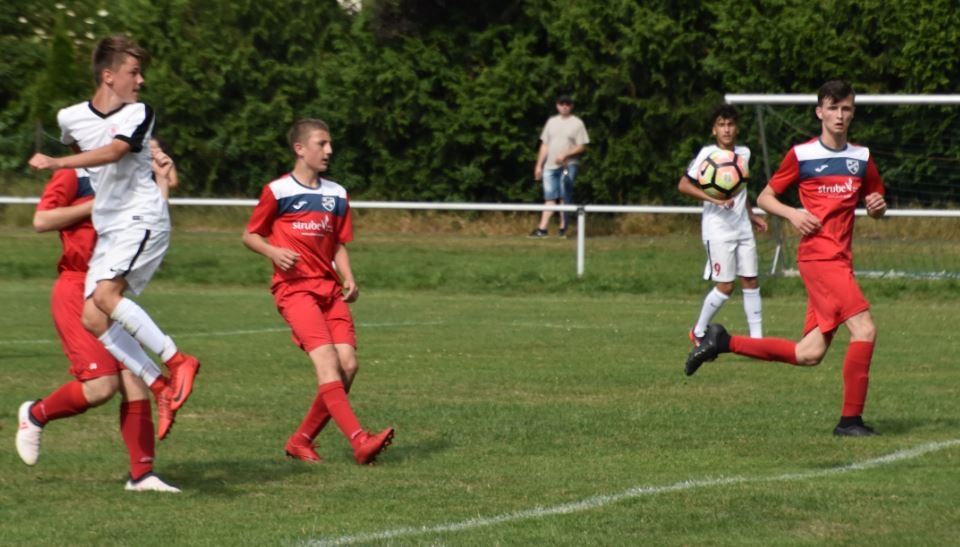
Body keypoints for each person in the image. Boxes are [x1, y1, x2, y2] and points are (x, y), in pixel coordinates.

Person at [684, 80, 888, 437]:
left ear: (853, 112)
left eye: (846, 109)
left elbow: (876, 202)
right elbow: (765, 197)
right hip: (819, 258)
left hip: (841, 260)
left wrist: (876, 206)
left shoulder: (861, 158)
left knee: (809, 353)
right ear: (820, 112)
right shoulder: (802, 155)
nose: (840, 115)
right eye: (833, 108)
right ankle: (850, 422)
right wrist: (793, 214)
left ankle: (723, 342)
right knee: (865, 329)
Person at [27, 35, 200, 445]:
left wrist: (57, 162)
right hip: (112, 227)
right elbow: (80, 141)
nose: (141, 80)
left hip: (141, 217)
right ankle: (159, 385)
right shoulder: (69, 117)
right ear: (108, 76)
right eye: (133, 72)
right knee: (93, 316)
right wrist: (75, 164)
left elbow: (112, 153)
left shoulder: (140, 112)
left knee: (105, 297)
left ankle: (179, 361)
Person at [15, 167, 180, 493]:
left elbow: (152, 222)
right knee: (101, 386)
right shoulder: (73, 174)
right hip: (76, 287)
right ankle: (35, 415)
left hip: (108, 289)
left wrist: (162, 181)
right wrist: (97, 203)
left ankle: (141, 475)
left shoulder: (129, 173)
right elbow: (41, 220)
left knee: (134, 377)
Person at [242, 118, 394, 464]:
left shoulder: (336, 194)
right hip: (294, 290)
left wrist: (348, 276)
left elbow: (338, 243)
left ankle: (301, 440)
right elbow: (249, 235)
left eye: (330, 144)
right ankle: (360, 441)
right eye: (321, 144)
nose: (329, 150)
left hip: (329, 290)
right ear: (299, 149)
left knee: (348, 366)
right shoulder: (278, 191)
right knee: (327, 363)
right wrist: (272, 251)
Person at [677, 105, 767, 346]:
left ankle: (757, 341)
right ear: (714, 130)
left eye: (730, 125)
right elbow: (684, 185)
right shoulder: (707, 154)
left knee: (751, 279)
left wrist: (752, 215)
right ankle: (698, 330)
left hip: (742, 228)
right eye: (721, 125)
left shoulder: (744, 154)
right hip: (718, 229)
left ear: (737, 128)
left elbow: (739, 188)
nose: (726, 130)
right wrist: (714, 199)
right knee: (726, 286)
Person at [530, 94, 589, 239]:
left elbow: (581, 146)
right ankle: (542, 229)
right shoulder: (551, 122)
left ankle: (563, 229)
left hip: (568, 166)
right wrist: (539, 165)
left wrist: (565, 154)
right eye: (562, 104)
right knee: (549, 197)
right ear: (557, 106)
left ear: (571, 106)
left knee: (564, 195)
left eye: (567, 104)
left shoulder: (577, 123)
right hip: (550, 166)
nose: (565, 106)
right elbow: (545, 145)